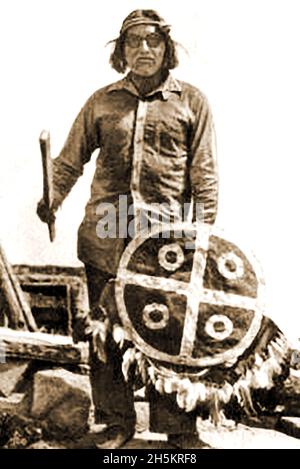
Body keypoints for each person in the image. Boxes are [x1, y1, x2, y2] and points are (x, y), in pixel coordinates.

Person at [37, 9, 218, 448]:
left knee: (169, 331)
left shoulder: (191, 102)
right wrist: (51, 199)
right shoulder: (101, 102)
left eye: (152, 41)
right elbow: (67, 163)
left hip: (165, 242)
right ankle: (117, 423)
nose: (143, 49)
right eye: (133, 42)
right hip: (106, 235)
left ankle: (178, 429)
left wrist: (203, 234)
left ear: (166, 49)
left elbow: (205, 175)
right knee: (106, 331)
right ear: (121, 52)